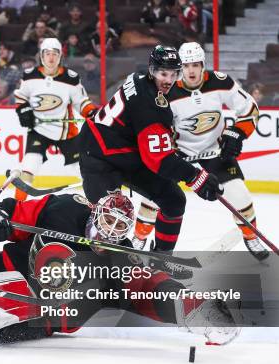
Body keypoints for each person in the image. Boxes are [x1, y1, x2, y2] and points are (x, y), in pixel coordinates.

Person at [0, 191, 239, 352]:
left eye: (117, 232)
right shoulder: (65, 210)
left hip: (42, 313)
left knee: (4, 289)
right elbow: (18, 215)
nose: (107, 234)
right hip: (16, 265)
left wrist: (194, 306)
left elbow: (153, 290)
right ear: (93, 214)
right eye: (104, 224)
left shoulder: (121, 261)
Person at [76, 45, 222, 278]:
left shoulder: (139, 79)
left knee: (173, 200)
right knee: (110, 222)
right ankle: (93, 277)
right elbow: (160, 162)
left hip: (127, 154)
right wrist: (196, 176)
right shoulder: (150, 105)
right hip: (99, 156)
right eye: (164, 74)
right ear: (153, 71)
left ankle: (161, 260)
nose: (169, 79)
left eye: (174, 74)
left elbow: (152, 146)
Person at [131, 42, 268, 261]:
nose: (191, 70)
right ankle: (138, 238)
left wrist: (237, 133)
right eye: (186, 65)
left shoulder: (220, 82)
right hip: (178, 156)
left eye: (196, 64)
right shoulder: (165, 90)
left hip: (215, 153)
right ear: (179, 68)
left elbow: (249, 108)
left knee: (241, 197)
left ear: (203, 64)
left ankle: (251, 236)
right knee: (153, 199)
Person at [13, 37, 97, 201]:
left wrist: (92, 113)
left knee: (81, 170)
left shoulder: (71, 78)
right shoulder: (30, 76)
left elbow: (82, 102)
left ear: (60, 57)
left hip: (66, 132)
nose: (51, 58)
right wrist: (23, 110)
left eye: (55, 54)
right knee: (29, 165)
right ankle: (17, 205)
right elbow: (21, 96)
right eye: (47, 54)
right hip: (38, 129)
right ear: (41, 56)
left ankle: (97, 203)